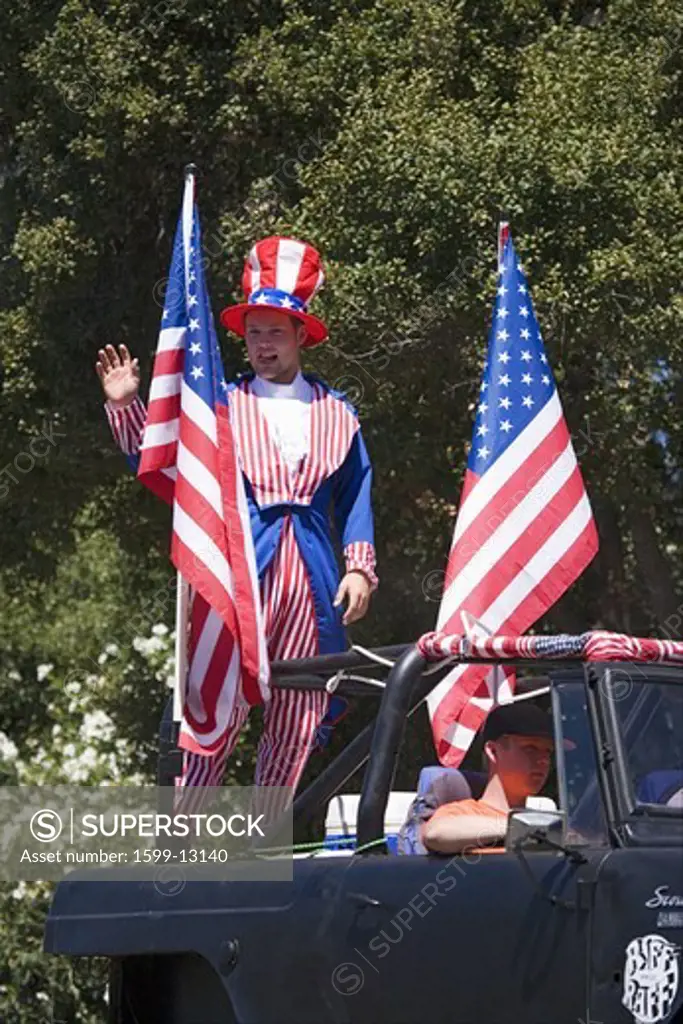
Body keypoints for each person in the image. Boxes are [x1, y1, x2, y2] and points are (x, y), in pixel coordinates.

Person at [95, 236, 378, 806]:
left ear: (302, 334)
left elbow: (354, 496)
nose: (263, 344)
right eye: (253, 332)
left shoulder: (337, 413)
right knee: (215, 702)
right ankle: (185, 843)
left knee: (298, 715)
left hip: (314, 579)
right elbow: (170, 464)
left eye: (275, 331)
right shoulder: (221, 405)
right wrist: (127, 406)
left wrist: (360, 569)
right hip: (239, 570)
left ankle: (264, 846)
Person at [420, 702, 554, 855]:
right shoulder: (464, 813)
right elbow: (435, 833)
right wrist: (523, 829)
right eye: (530, 748)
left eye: (548, 751)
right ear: (493, 751)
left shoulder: (545, 822)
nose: (544, 760)